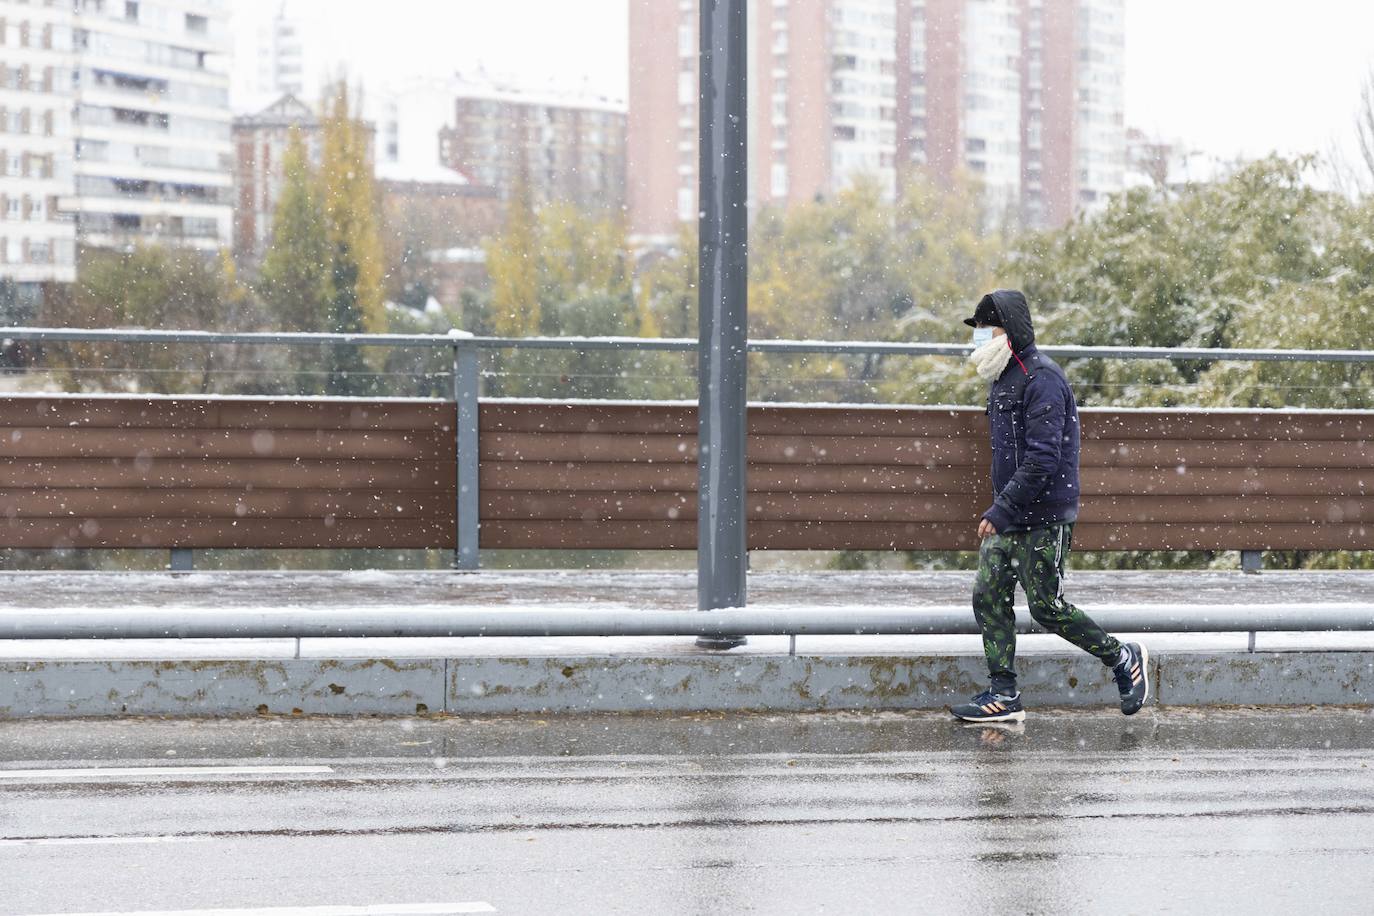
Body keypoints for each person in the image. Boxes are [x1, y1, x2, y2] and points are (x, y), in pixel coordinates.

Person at [949, 290, 1148, 723]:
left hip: (1043, 515)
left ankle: (1123, 658)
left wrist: (1000, 510)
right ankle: (1003, 693)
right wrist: (1003, 508)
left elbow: (1043, 459)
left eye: (987, 329)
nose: (979, 338)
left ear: (1010, 332)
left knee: (1046, 606)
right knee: (988, 595)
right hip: (1010, 512)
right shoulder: (1002, 377)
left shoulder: (1043, 379)